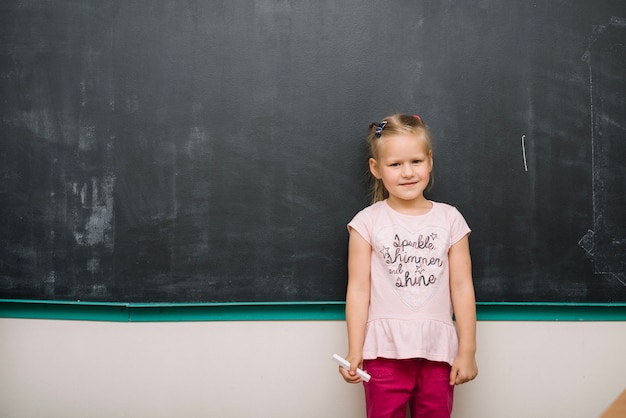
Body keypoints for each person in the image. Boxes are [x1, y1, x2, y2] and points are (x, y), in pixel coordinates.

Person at [338, 114, 478, 418]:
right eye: (395, 164)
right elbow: (359, 289)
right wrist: (354, 348)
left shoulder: (450, 219)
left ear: (430, 160)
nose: (407, 173)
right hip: (382, 354)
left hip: (438, 352)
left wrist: (467, 350)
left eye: (416, 161)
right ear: (376, 168)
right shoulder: (367, 222)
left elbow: (462, 286)